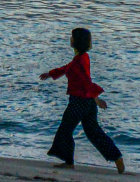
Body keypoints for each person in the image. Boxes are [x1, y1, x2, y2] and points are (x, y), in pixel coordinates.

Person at [40, 27, 125, 173]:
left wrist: (96, 99)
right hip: (86, 102)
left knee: (65, 130)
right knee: (93, 132)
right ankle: (117, 158)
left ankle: (69, 162)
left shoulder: (81, 60)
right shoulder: (79, 58)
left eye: (72, 37)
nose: (70, 39)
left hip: (80, 101)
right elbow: (66, 68)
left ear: (77, 41)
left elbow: (86, 81)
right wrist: (50, 74)